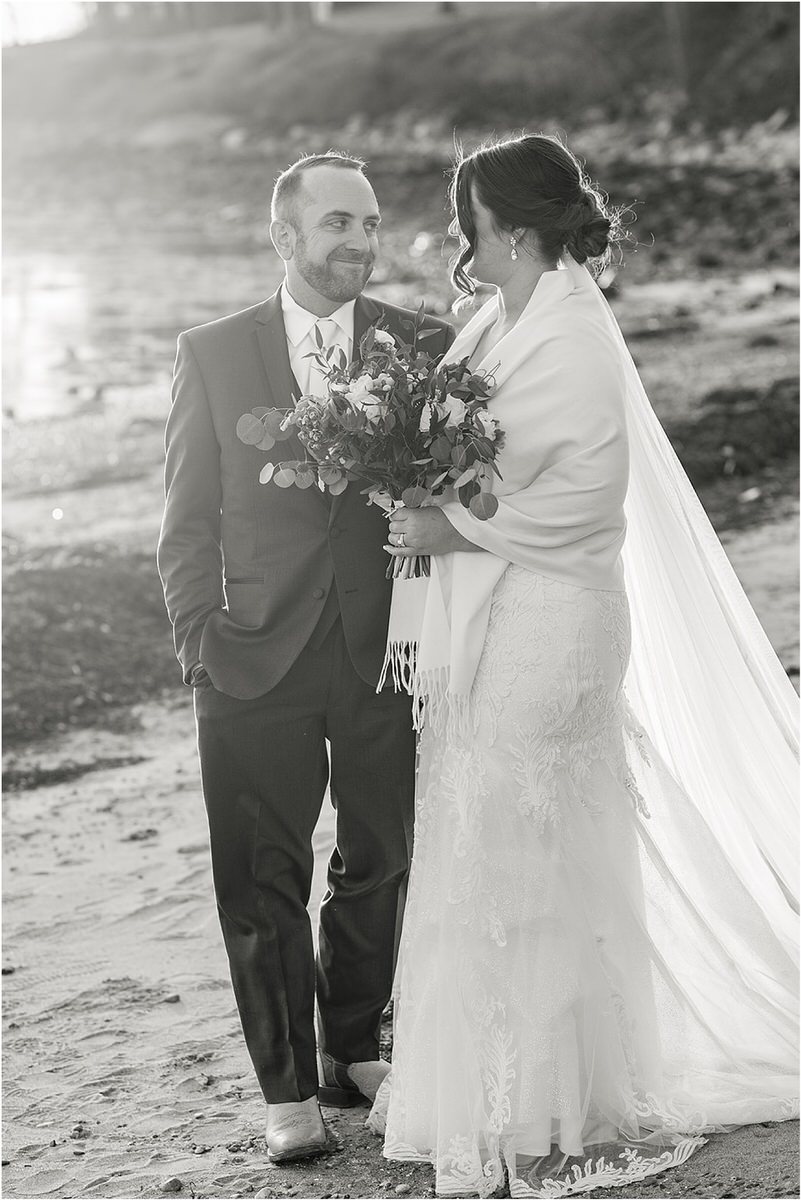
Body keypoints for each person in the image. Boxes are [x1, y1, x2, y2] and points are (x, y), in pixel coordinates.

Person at [369, 134, 799, 1197]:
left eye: (470, 220)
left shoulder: (571, 334)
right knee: (487, 837)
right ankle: (513, 1091)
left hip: (555, 619)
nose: (461, 241)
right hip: (501, 613)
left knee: (541, 853)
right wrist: (418, 491)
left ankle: (569, 1106)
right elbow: (472, 447)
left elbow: (576, 502)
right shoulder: (502, 313)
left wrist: (447, 529)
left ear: (511, 229)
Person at [156, 152, 453, 1162]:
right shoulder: (214, 352)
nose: (359, 243)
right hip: (249, 655)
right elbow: (186, 517)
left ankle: (350, 1047)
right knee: (262, 878)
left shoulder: (420, 344)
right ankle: (287, 1090)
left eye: (369, 225)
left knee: (380, 856)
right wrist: (199, 640)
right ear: (285, 237)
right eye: (337, 225)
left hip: (382, 656)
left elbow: (444, 495)